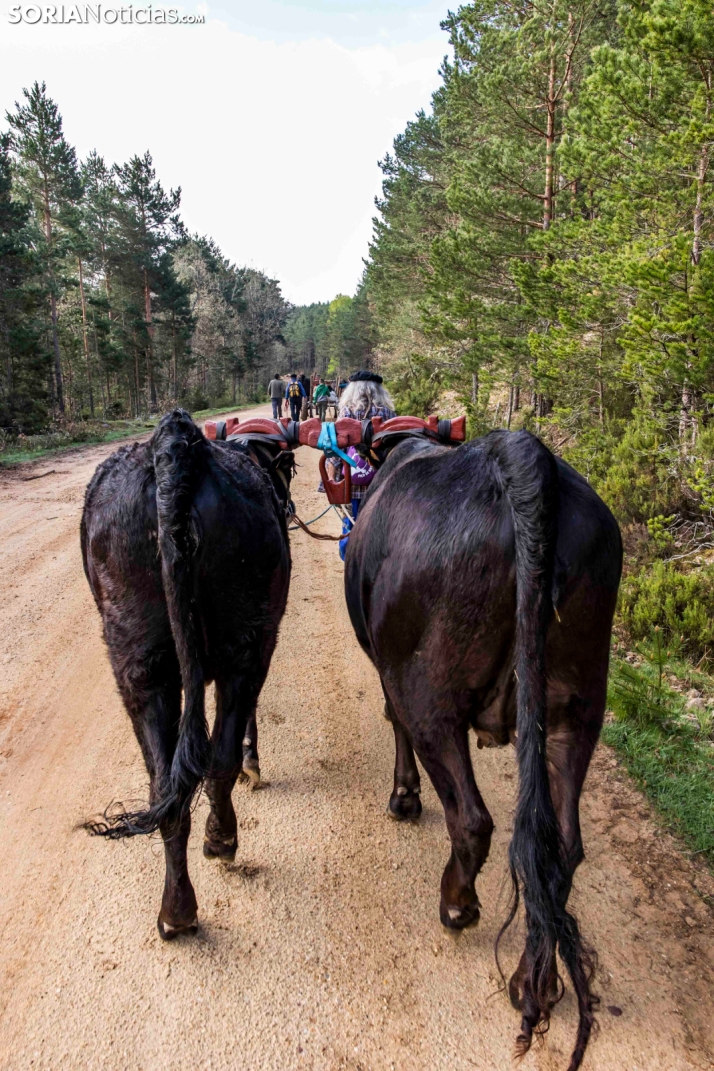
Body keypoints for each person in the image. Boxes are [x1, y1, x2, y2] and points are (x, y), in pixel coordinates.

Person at [325, 370, 396, 558]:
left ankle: (349, 559)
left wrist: (331, 476)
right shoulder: (388, 412)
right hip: (380, 482)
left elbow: (336, 447)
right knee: (378, 524)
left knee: (351, 524)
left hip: (352, 481)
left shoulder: (347, 411)